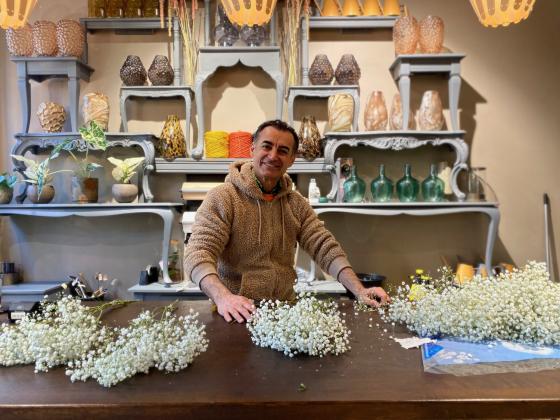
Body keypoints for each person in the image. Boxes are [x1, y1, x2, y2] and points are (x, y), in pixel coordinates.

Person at [184, 120, 390, 323]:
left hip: (284, 312)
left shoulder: (296, 203)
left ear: (292, 159)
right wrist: (223, 298)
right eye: (267, 146)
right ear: (252, 149)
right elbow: (197, 253)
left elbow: (325, 247)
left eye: (283, 150)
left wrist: (359, 291)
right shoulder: (224, 197)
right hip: (237, 312)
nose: (273, 156)